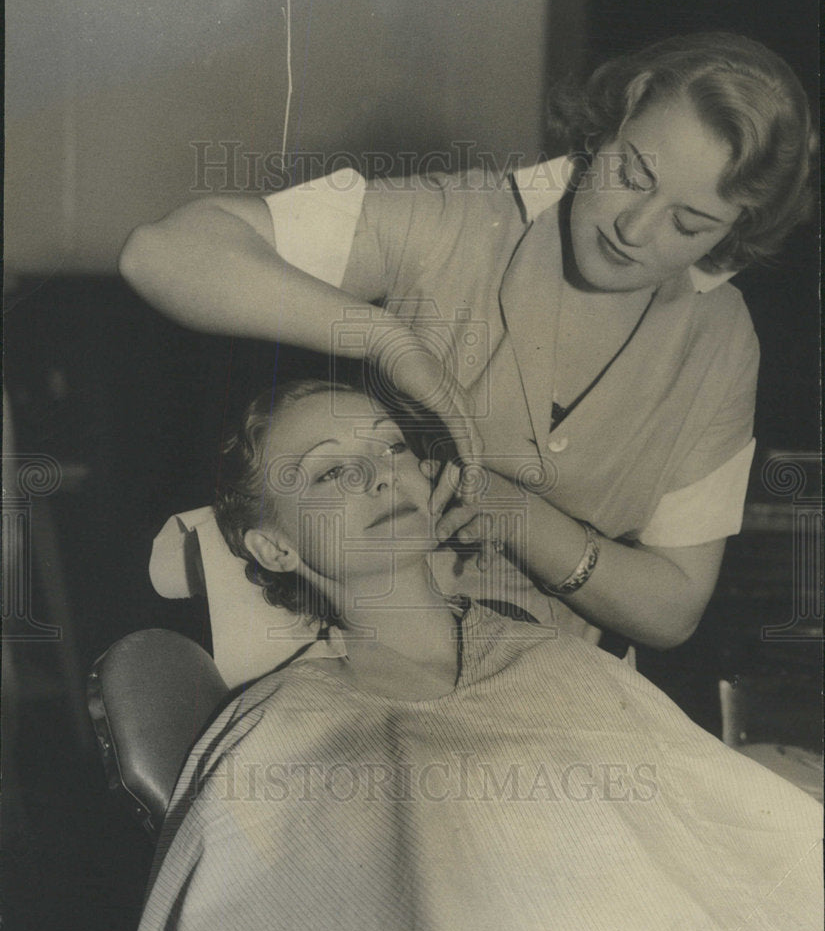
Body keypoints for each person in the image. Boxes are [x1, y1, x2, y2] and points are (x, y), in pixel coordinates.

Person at [119, 32, 816, 649]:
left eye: (689, 223)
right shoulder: (453, 220)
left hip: (563, 693)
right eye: (632, 173)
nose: (634, 229)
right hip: (361, 667)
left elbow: (673, 607)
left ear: (733, 230)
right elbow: (164, 255)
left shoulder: (719, 336)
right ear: (615, 119)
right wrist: (386, 339)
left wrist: (514, 516)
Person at [122, 379, 822, 931]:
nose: (381, 476)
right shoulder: (274, 734)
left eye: (393, 449)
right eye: (330, 472)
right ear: (274, 546)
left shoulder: (555, 660)